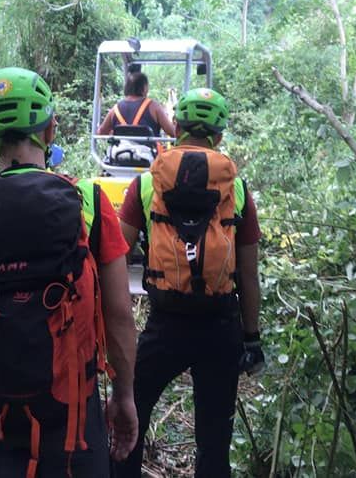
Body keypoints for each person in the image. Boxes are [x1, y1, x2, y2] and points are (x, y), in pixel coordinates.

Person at [0, 67, 138, 477]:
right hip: (71, 413)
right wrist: (125, 396)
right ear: (50, 130)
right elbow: (118, 315)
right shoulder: (89, 206)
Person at [113, 88, 265, 478]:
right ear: (220, 135)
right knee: (214, 443)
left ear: (176, 127)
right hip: (220, 326)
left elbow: (114, 254)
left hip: (165, 324)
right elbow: (248, 274)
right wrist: (252, 337)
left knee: (131, 418)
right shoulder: (238, 190)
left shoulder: (146, 185)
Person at [96, 71, 176, 138]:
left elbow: (101, 133)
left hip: (119, 155)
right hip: (148, 156)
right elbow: (172, 132)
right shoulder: (153, 107)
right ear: (144, 88)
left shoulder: (115, 109)